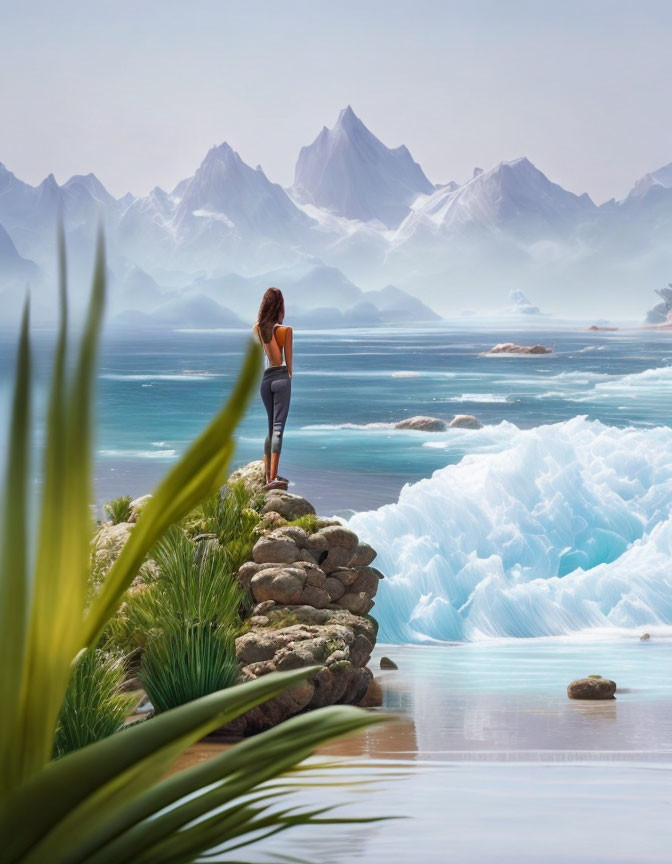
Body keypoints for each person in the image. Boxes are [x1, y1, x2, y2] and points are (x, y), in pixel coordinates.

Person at [253, 287, 293, 490]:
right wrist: (289, 376)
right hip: (281, 377)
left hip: (265, 381)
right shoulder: (286, 331)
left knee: (269, 428)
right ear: (279, 306)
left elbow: (267, 356)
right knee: (278, 428)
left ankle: (267, 477)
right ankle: (274, 477)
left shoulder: (258, 328)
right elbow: (286, 361)